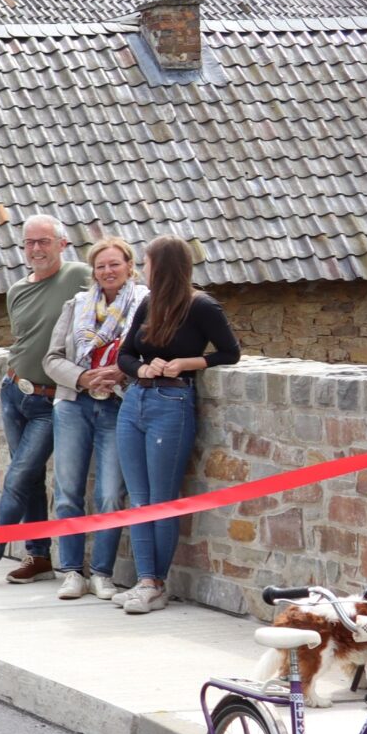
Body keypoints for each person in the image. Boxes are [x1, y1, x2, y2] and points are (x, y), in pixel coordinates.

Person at [113, 235, 241, 615]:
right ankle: (143, 580)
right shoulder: (149, 303)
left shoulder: (202, 306)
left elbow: (230, 352)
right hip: (136, 399)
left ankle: (155, 584)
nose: (141, 269)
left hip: (172, 401)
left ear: (163, 266)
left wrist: (187, 363)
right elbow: (125, 354)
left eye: (146, 262)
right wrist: (141, 367)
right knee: (137, 500)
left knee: (160, 500)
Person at [43, 235, 147, 602]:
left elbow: (150, 352)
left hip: (120, 407)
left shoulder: (143, 305)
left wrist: (122, 371)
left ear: (129, 266)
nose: (107, 271)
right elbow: (52, 358)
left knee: (108, 493)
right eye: (101, 265)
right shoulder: (76, 306)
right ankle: (71, 571)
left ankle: (101, 573)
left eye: (115, 264)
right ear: (93, 271)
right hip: (75, 403)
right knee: (68, 491)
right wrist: (83, 377)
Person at [0, 215, 89, 584]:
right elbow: (24, 340)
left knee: (17, 478)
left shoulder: (79, 276)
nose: (36, 249)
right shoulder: (15, 290)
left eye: (44, 242)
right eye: (30, 243)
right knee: (29, 479)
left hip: (52, 402)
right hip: (14, 392)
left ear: (62, 244)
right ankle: (38, 556)